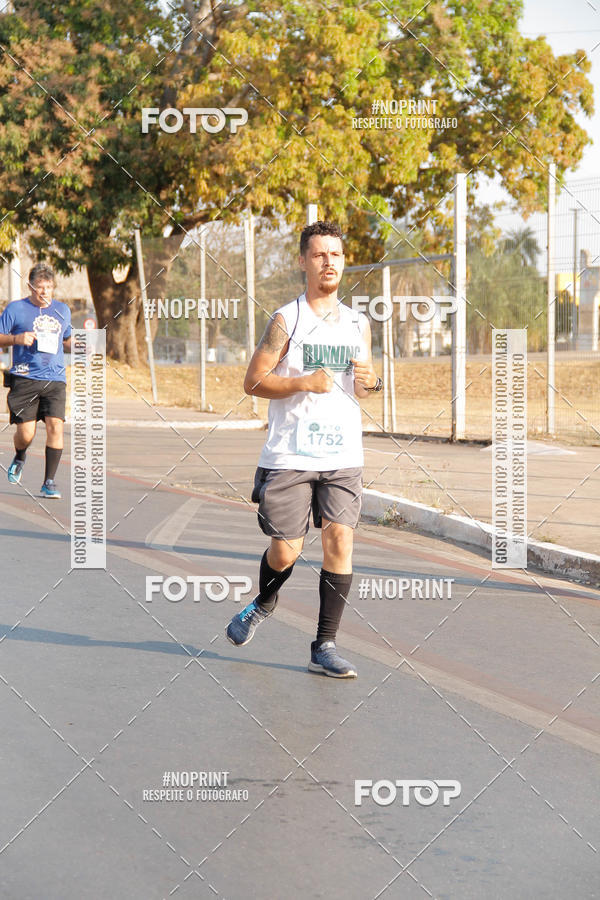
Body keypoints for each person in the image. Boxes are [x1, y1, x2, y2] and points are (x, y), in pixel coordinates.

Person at [226, 221, 382, 678]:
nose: (328, 261)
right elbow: (252, 381)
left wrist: (372, 382)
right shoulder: (286, 319)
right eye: (319, 254)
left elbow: (366, 382)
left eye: (335, 254)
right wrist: (302, 383)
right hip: (290, 456)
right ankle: (263, 601)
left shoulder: (358, 322)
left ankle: (324, 645)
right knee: (285, 553)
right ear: (303, 262)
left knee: (340, 540)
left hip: (343, 456)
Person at [0, 262, 72, 498]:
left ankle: (49, 481)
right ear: (30, 286)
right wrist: (16, 339)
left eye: (49, 287)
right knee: (26, 434)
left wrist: (86, 345)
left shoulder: (63, 310)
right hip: (25, 377)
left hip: (55, 378)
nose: (45, 292)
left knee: (55, 426)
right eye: (40, 287)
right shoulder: (15, 309)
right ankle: (20, 455)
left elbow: (68, 340)